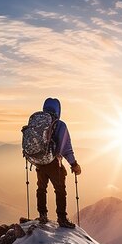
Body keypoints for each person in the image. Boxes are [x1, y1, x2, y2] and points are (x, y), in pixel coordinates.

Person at [36, 97, 82, 228]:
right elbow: (67, 148)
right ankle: (61, 218)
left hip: (39, 161)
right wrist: (74, 164)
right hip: (54, 163)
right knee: (60, 190)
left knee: (41, 188)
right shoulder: (60, 125)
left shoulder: (39, 123)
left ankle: (42, 215)